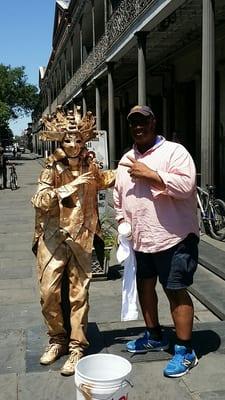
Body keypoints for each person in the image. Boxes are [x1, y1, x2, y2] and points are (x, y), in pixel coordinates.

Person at [113, 105, 199, 378]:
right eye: (133, 123)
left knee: (175, 290)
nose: (139, 127)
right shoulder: (126, 159)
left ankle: (185, 350)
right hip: (140, 240)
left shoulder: (174, 152)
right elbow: (118, 198)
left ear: (154, 122)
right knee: (145, 288)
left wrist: (151, 174)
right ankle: (154, 335)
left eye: (143, 121)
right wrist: (120, 222)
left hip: (174, 238)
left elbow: (187, 186)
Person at [31, 106, 115, 376]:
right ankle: (57, 339)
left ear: (84, 140)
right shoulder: (51, 168)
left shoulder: (91, 166)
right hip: (53, 238)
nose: (73, 144)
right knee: (48, 295)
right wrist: (70, 185)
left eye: (78, 139)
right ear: (60, 141)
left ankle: (77, 346)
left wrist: (130, 170)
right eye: (67, 139)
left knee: (79, 295)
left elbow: (106, 179)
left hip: (81, 236)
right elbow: (40, 200)